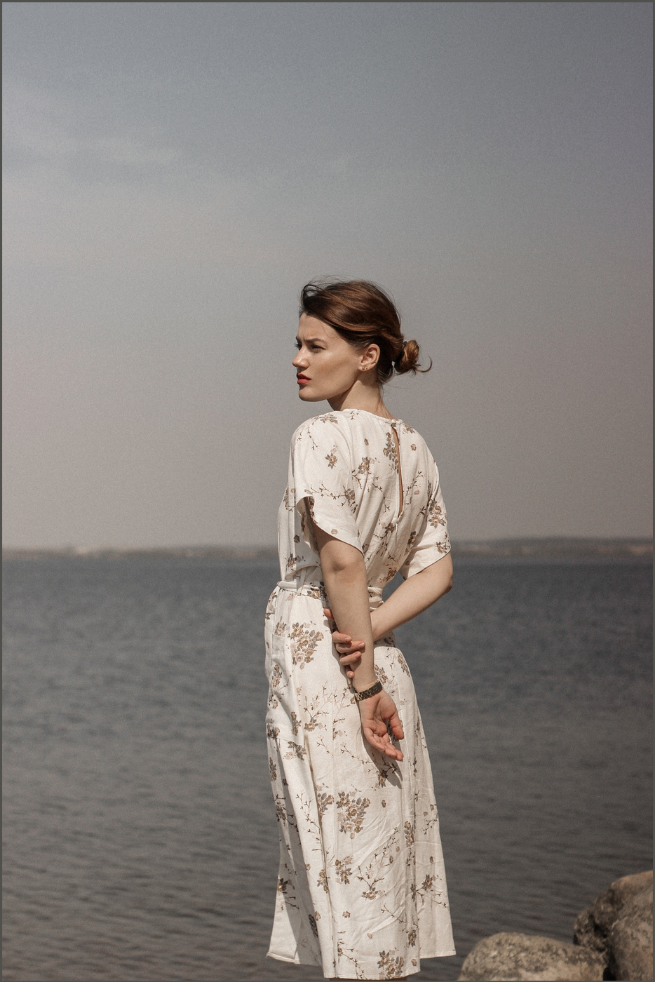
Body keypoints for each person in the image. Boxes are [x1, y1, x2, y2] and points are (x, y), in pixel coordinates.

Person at [265, 280, 456, 980]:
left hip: (332, 662)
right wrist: (372, 635)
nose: (297, 359)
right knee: (377, 859)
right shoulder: (416, 449)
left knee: (338, 861)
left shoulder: (317, 436)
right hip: (375, 657)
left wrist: (358, 669)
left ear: (367, 353)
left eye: (315, 346)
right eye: (296, 344)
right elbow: (435, 573)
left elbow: (340, 562)